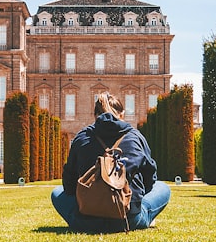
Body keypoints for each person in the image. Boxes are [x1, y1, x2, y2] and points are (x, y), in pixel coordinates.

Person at [52, 92, 170, 232]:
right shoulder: (135, 137)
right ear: (122, 114)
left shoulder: (82, 137)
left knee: (57, 192)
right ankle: (142, 216)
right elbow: (150, 178)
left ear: (95, 115)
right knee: (163, 187)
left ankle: (82, 218)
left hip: (87, 220)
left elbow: (69, 184)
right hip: (127, 219)